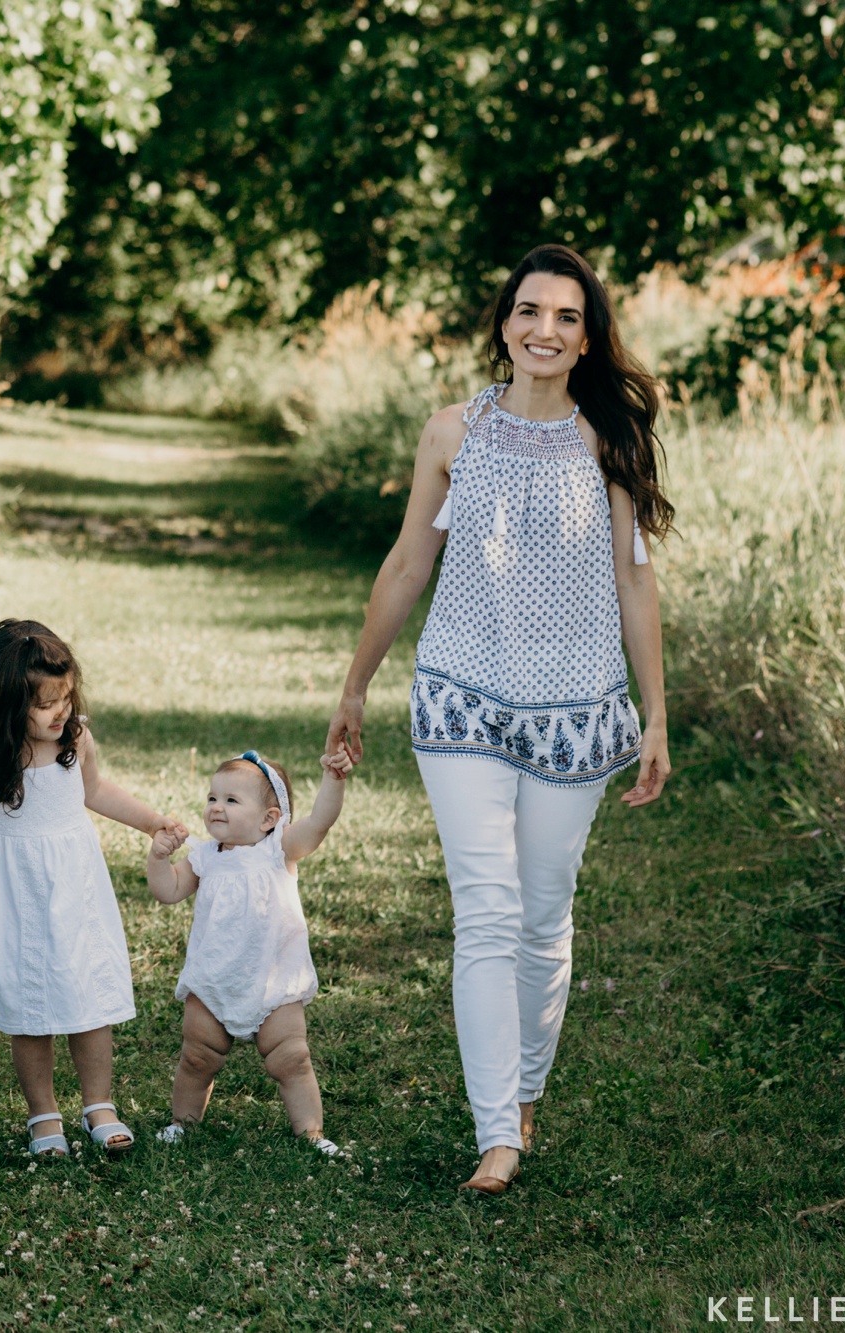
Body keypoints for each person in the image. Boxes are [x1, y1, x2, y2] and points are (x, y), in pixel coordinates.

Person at [324, 244, 674, 1195]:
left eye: (566, 316)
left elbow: (635, 581)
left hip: (574, 711)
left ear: (589, 335)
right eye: (529, 311)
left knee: (543, 912)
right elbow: (406, 566)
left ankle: (523, 1094)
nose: (544, 330)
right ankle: (497, 1133)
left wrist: (656, 713)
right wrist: (356, 683)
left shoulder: (613, 440)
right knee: (484, 910)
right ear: (503, 323)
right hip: (460, 700)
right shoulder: (450, 432)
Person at [0, 619, 182, 1158]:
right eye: (47, 703)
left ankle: (100, 1105)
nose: (62, 712)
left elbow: (96, 790)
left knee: (88, 997)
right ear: (7, 701)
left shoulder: (75, 738)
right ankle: (43, 1115)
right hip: (17, 897)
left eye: (66, 698)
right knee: (31, 1006)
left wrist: (151, 822)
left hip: (75, 888)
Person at [146, 749, 351, 1156]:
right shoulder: (205, 856)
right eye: (212, 798)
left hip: (275, 980)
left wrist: (333, 778)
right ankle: (182, 1124)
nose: (216, 807)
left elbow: (321, 821)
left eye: (231, 800)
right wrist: (158, 858)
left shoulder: (280, 849)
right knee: (197, 1058)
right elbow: (167, 891)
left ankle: (311, 1134)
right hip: (214, 979)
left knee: (291, 1059)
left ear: (269, 819)